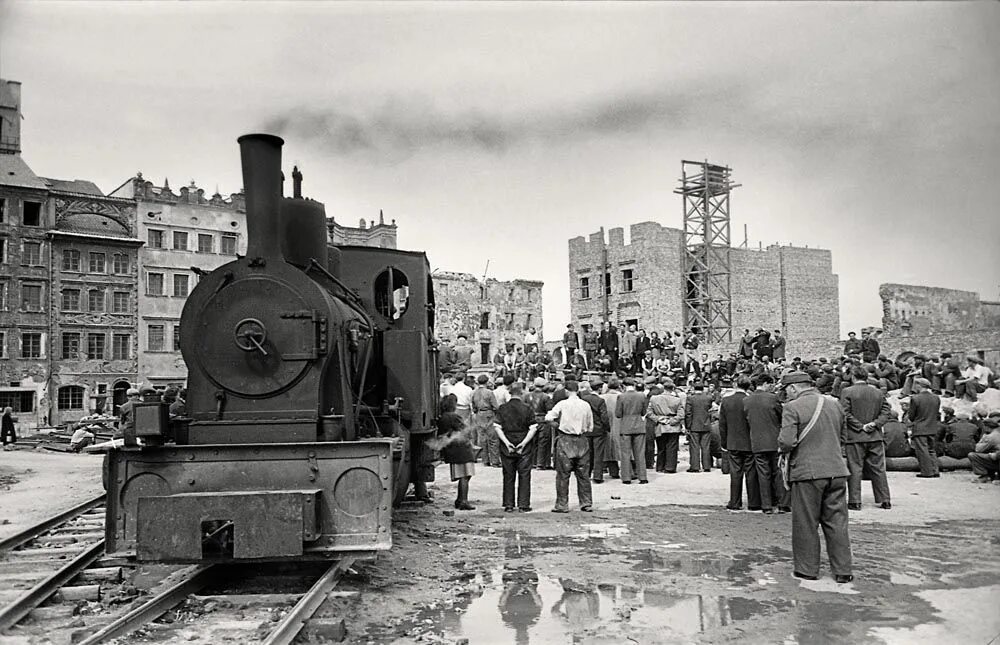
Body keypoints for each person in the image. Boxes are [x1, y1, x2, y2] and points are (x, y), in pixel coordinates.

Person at [777, 371, 853, 584]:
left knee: (806, 523)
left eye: (786, 390)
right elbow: (843, 437)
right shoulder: (834, 404)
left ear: (793, 388)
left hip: (807, 472)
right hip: (837, 470)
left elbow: (786, 442)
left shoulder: (792, 408)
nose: (786, 395)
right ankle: (843, 570)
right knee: (837, 522)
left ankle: (807, 569)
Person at [840, 368, 893, 511]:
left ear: (853, 377)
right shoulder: (878, 392)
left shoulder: (847, 392)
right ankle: (885, 499)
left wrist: (860, 426)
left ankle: (855, 501)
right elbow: (886, 411)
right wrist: (875, 424)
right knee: (879, 469)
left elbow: (844, 413)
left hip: (855, 436)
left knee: (855, 468)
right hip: (875, 435)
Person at [545, 380, 594, 513]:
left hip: (565, 439)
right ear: (578, 390)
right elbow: (590, 426)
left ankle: (562, 504)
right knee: (583, 474)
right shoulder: (585, 405)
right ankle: (586, 502)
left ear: (566, 391)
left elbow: (548, 418)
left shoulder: (562, 404)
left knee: (563, 474)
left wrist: (557, 425)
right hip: (582, 440)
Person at [745, 374, 786, 513]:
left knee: (763, 474)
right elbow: (782, 416)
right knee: (777, 473)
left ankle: (766, 505)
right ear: (767, 384)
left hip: (757, 441)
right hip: (774, 441)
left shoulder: (747, 400)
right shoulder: (773, 398)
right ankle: (781, 503)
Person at [496, 382, 538, 512]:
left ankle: (509, 504)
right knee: (524, 474)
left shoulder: (502, 408)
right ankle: (523, 505)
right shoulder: (527, 408)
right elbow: (533, 428)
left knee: (508, 475)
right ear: (521, 393)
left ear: (509, 393)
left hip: (506, 442)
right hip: (524, 443)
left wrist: (506, 442)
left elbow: (497, 427)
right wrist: (524, 443)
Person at [719, 376, 759, 510]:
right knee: (751, 473)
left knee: (735, 473)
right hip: (749, 441)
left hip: (733, 441)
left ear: (736, 385)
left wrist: (724, 442)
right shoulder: (752, 400)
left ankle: (735, 501)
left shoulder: (726, 401)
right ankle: (753, 502)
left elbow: (722, 424)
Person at [438, 393, 476, 510]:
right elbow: (465, 430)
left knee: (463, 476)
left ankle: (460, 499)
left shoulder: (443, 417)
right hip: (461, 449)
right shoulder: (454, 417)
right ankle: (463, 500)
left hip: (452, 449)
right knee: (465, 475)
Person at [615, 378, 648, 484]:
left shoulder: (621, 396)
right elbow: (644, 412)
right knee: (640, 453)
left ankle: (626, 477)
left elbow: (618, 414)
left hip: (625, 426)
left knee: (625, 453)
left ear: (624, 386)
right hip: (639, 425)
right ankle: (642, 477)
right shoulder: (641, 396)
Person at [647, 378, 684, 473]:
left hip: (660, 424)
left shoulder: (654, 398)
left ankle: (660, 466)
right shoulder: (677, 400)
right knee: (672, 447)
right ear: (673, 389)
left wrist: (658, 419)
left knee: (661, 447)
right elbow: (681, 415)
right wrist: (672, 421)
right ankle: (670, 467)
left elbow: (649, 412)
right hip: (673, 425)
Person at [907, 378, 941, 478]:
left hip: (920, 428)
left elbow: (911, 416)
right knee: (931, 450)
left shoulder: (915, 398)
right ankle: (935, 470)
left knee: (922, 451)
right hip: (932, 426)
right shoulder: (936, 398)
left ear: (919, 385)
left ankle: (926, 472)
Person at [579, 380, 611, 484]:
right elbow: (604, 417)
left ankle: (586, 474)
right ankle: (597, 475)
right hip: (598, 430)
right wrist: (607, 428)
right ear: (600, 389)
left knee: (587, 453)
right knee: (598, 453)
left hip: (587, 429)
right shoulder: (600, 401)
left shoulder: (583, 399)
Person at [471, 374, 501, 467]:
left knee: (482, 438)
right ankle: (495, 461)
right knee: (493, 438)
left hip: (479, 415)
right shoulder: (489, 392)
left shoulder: (474, 393)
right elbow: (495, 406)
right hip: (489, 414)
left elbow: (474, 406)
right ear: (487, 382)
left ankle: (485, 460)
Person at [684, 382, 713, 473]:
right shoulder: (708, 398)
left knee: (694, 447)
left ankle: (695, 466)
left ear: (694, 388)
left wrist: (687, 426)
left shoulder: (690, 398)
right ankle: (707, 466)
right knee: (706, 446)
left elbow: (688, 413)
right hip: (706, 424)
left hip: (694, 425)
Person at [598, 378, 622, 480]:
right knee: (622, 448)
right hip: (620, 424)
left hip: (606, 425)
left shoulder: (601, 397)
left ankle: (613, 470)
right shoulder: (622, 397)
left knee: (608, 447)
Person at [968, 416, 1000, 482]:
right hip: (997, 457)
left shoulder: (991, 436)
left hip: (996, 460)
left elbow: (978, 449)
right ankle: (992, 475)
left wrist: (982, 439)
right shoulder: (997, 434)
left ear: (987, 427)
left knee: (973, 455)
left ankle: (984, 475)